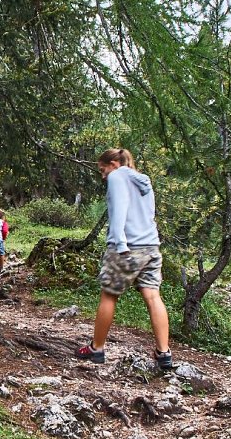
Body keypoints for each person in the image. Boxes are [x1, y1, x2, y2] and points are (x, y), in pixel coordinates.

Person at [74, 148, 174, 370]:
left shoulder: (118, 176)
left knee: (109, 296)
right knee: (152, 296)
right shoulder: (143, 180)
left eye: (103, 170)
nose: (103, 176)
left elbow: (119, 210)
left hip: (127, 246)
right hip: (151, 246)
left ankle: (96, 348)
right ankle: (163, 353)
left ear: (113, 164)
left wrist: (119, 244)